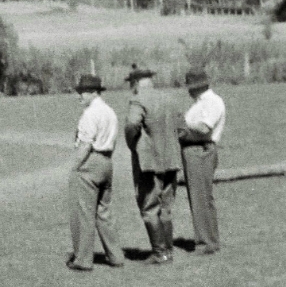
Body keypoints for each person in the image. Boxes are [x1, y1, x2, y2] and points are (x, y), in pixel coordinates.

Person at [124, 65, 182, 265]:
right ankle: (169, 251)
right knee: (166, 208)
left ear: (135, 84)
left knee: (149, 208)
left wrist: (134, 145)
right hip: (172, 161)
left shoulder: (138, 99)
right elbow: (181, 128)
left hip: (149, 163)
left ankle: (159, 253)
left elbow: (132, 124)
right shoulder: (169, 98)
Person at [67, 74, 123, 271]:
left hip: (91, 162)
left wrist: (74, 167)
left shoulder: (90, 114)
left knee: (84, 212)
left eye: (82, 92)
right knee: (104, 212)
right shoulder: (110, 112)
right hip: (107, 162)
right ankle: (116, 255)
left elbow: (84, 146)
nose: (79, 96)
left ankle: (82, 260)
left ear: (92, 92)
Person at [178, 67, 226, 256]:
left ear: (195, 87)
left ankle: (205, 242)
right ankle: (209, 240)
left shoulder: (211, 102)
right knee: (201, 197)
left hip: (201, 150)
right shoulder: (201, 102)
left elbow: (204, 128)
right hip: (197, 150)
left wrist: (181, 127)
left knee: (200, 197)